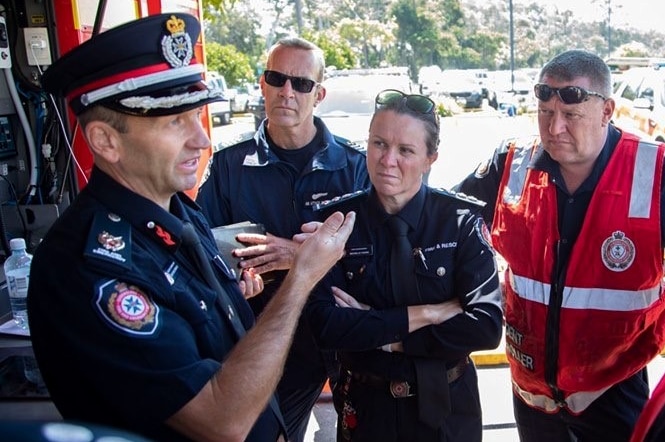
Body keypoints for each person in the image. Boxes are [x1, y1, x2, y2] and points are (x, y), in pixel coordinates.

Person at [27, 13, 355, 442]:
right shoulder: (90, 266)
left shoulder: (176, 209)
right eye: (172, 122)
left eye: (196, 116)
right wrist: (301, 277)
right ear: (106, 141)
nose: (201, 140)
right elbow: (221, 421)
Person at [455, 49, 665, 441]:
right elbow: (448, 226)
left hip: (614, 389)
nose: (555, 129)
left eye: (571, 115)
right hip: (531, 395)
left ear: (607, 111)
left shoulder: (655, 173)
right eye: (545, 113)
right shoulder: (510, 162)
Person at [196, 37, 370, 441]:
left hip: (344, 332)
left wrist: (300, 255)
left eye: (301, 84)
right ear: (262, 83)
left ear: (319, 94)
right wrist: (235, 281)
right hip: (270, 334)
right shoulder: (228, 167)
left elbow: (376, 256)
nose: (286, 92)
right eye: (277, 79)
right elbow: (202, 252)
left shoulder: (354, 166)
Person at [304, 89, 504, 441]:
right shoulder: (335, 223)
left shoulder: (461, 221)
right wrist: (428, 313)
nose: (387, 160)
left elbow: (485, 328)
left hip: (449, 410)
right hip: (367, 410)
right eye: (379, 144)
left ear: (431, 158)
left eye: (406, 150)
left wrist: (383, 335)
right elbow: (326, 325)